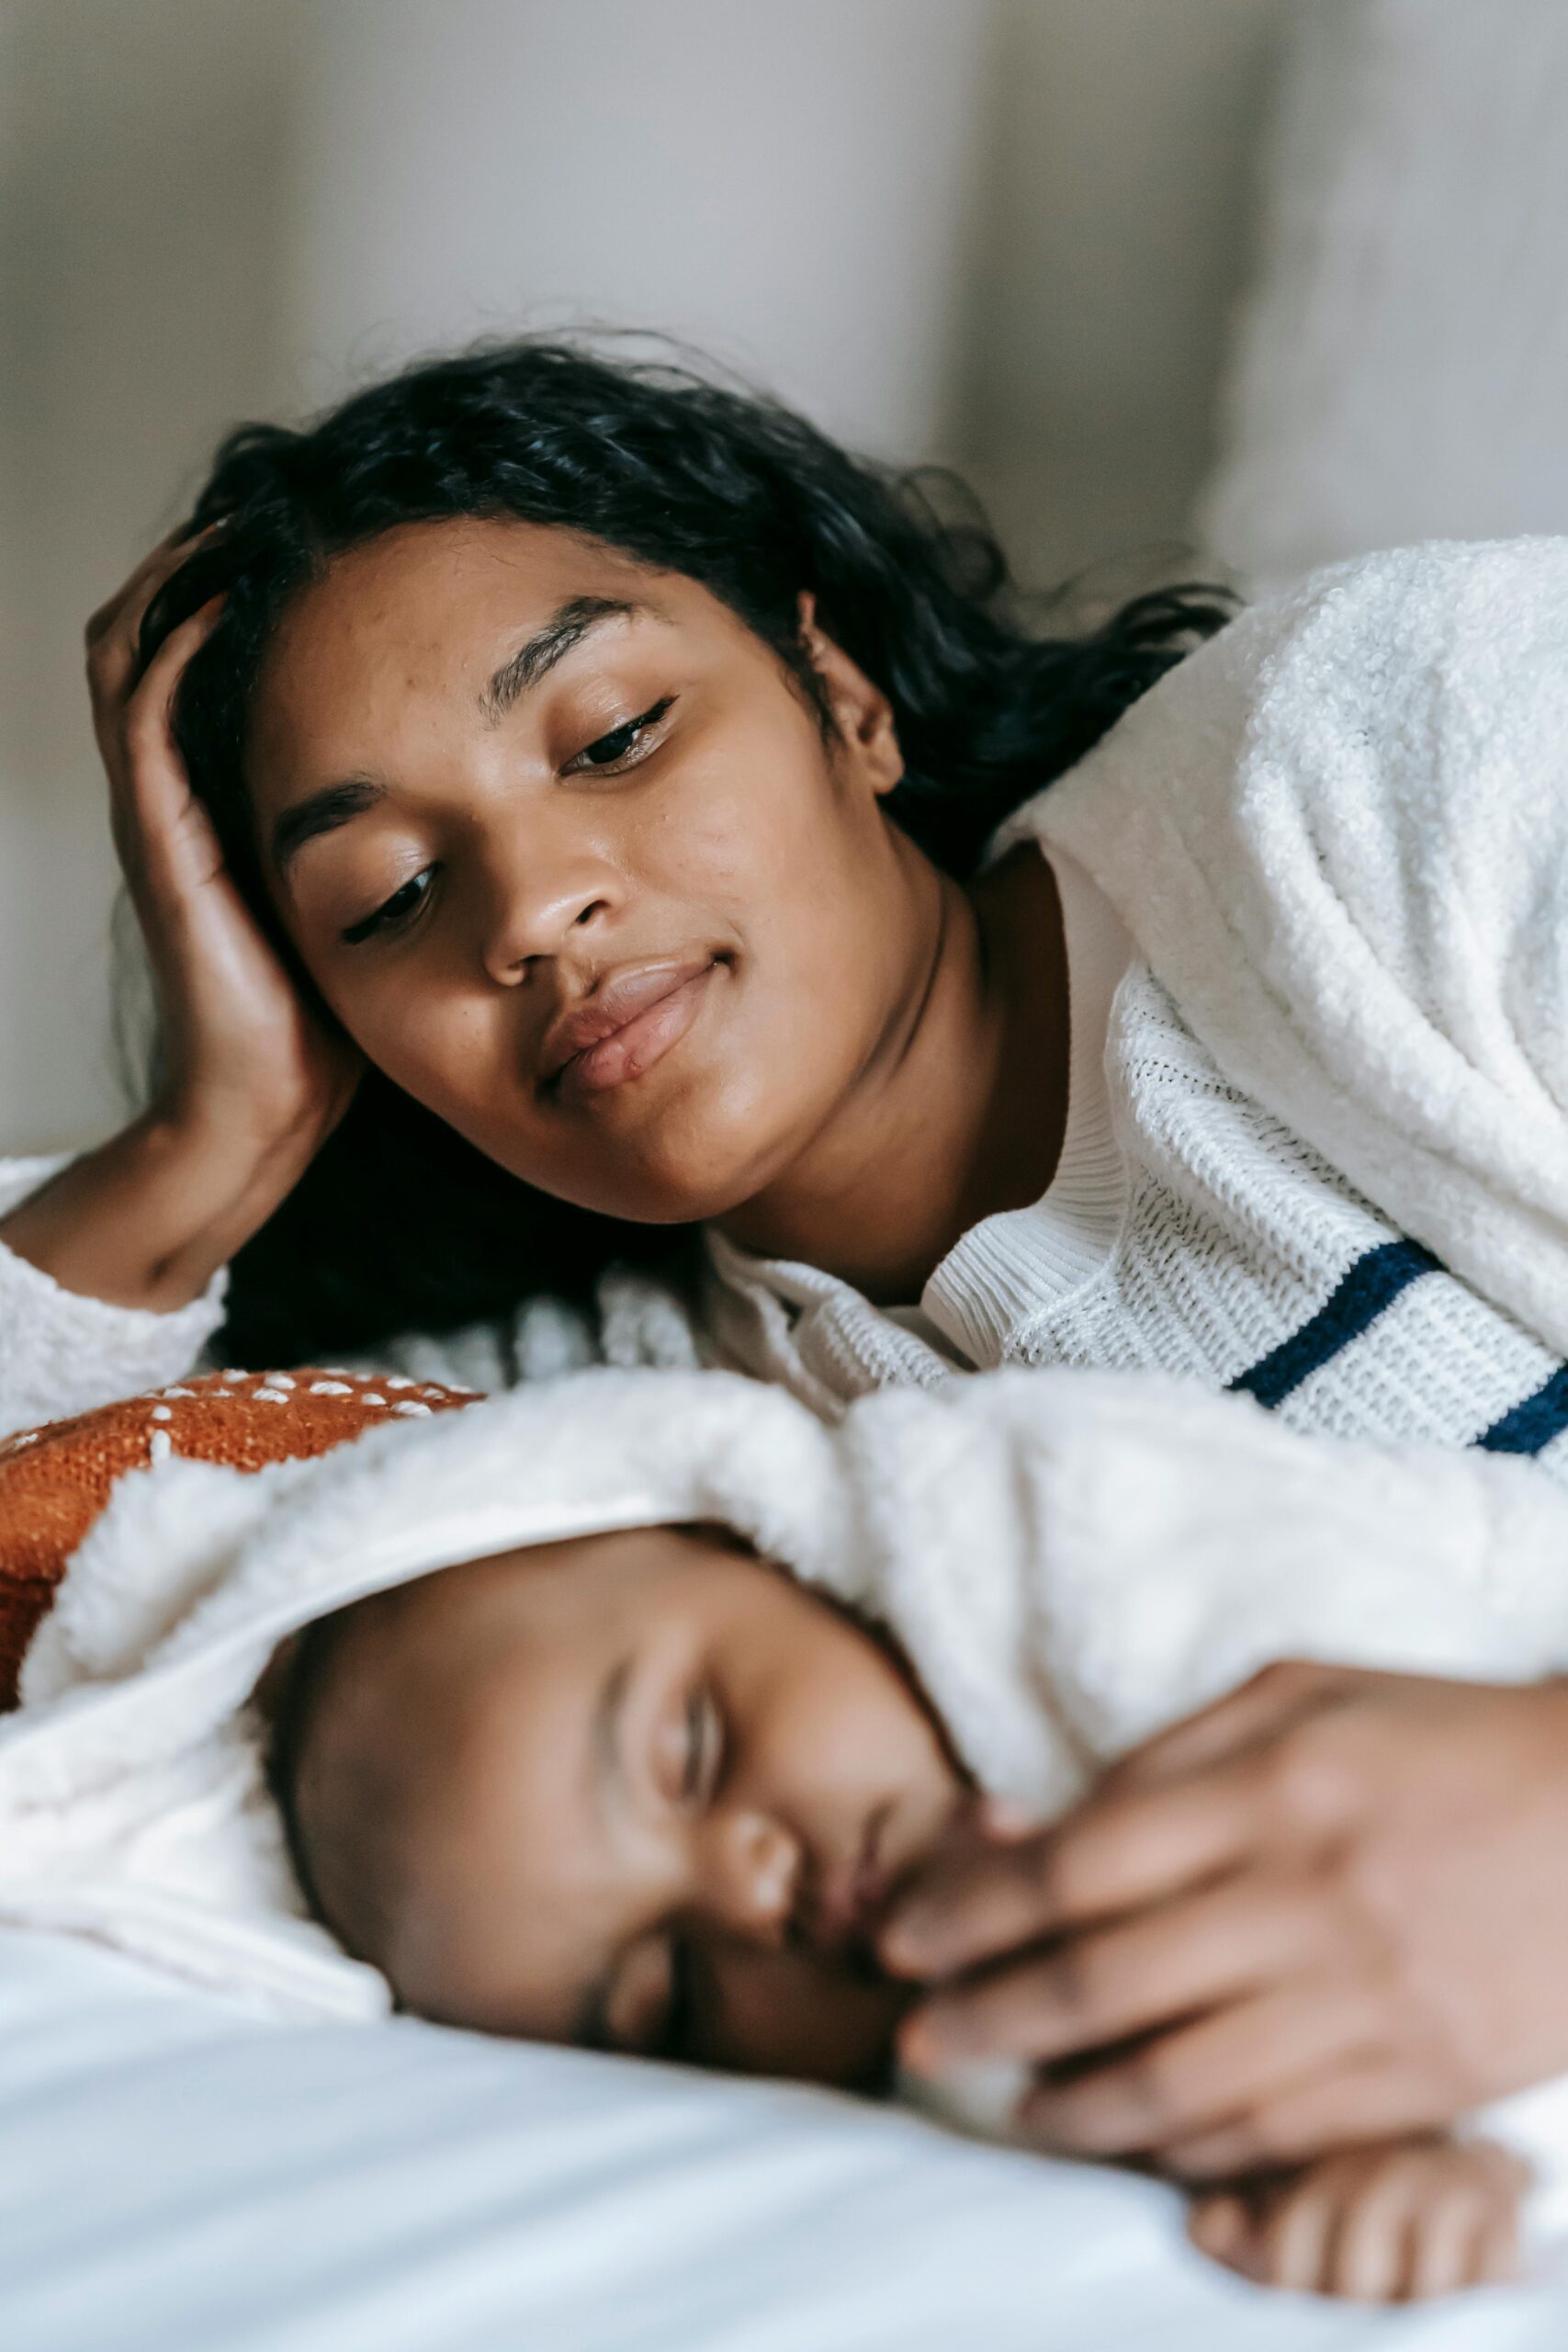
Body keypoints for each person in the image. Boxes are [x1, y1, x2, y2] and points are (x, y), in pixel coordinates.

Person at [4, 340, 1568, 2188]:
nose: (533, 910)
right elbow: (71, 1578)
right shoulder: (608, 1464)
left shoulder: (1366, 770)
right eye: (387, 901)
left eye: (608, 737)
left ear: (840, 694)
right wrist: (208, 1140)